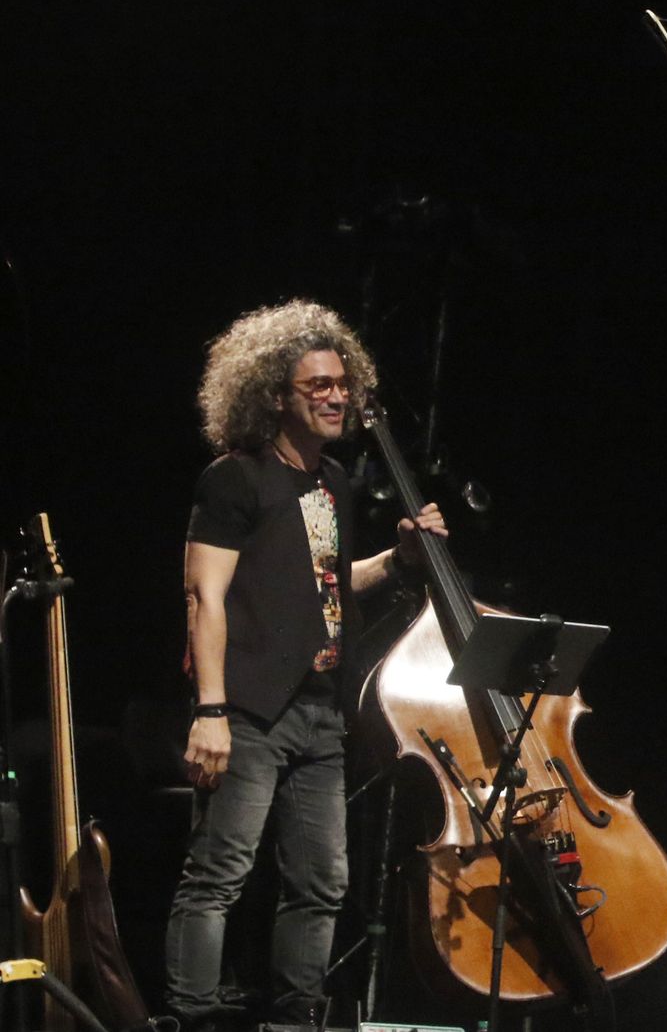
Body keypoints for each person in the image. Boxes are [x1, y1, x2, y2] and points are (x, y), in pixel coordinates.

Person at [166, 299, 446, 1029]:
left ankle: (296, 1020)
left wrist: (399, 558)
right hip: (250, 709)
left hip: (321, 711)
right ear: (273, 396)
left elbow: (323, 581)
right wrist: (212, 711)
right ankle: (192, 1018)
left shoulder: (332, 485)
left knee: (321, 882)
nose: (336, 396)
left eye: (341, 384)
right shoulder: (236, 479)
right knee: (218, 876)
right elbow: (205, 596)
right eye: (316, 385)